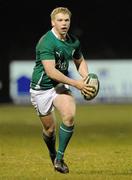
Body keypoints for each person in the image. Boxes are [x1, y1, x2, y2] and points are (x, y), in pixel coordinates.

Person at [30, 7, 95, 174]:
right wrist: (76, 83)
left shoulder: (73, 41)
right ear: (53, 22)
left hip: (59, 86)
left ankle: (59, 159)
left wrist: (86, 78)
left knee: (69, 115)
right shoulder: (46, 42)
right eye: (60, 20)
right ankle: (52, 153)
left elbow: (79, 61)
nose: (64, 23)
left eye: (66, 20)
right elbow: (51, 72)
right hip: (41, 88)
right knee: (50, 129)